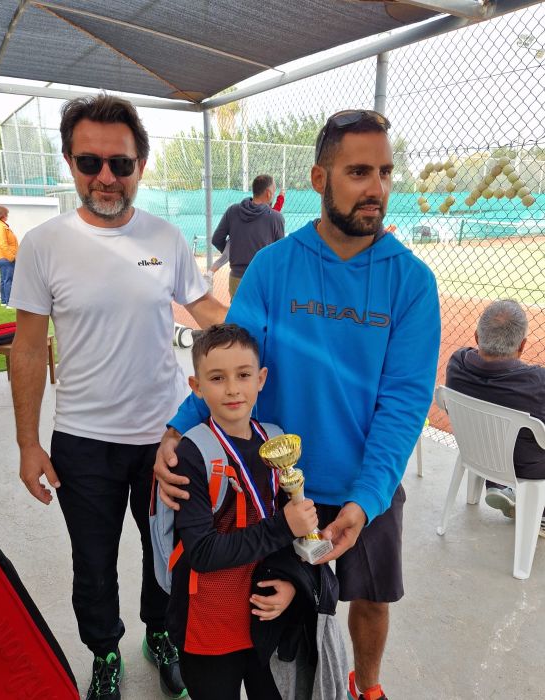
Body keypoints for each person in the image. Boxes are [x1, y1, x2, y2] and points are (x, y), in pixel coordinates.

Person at [154, 109, 441, 700]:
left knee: (372, 597)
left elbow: (404, 402)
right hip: (276, 482)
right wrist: (176, 433)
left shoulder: (411, 282)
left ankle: (367, 686)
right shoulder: (274, 266)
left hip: (366, 479)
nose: (377, 187)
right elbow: (232, 360)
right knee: (275, 596)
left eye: (385, 172)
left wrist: (367, 499)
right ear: (319, 178)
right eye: (358, 172)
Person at [9, 93, 226, 700]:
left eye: (120, 164)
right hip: (82, 442)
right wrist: (28, 444)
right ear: (69, 162)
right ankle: (105, 651)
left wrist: (270, 338)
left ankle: (162, 635)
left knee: (167, 549)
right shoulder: (44, 244)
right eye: (90, 162)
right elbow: (27, 348)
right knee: (93, 561)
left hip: (165, 437)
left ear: (140, 166)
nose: (105, 176)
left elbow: (207, 311)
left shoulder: (165, 236)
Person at [165, 322, 319, 700]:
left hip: (266, 614)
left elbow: (297, 539)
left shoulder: (277, 442)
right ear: (197, 386)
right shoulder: (192, 454)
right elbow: (202, 552)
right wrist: (283, 526)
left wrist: (292, 586)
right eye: (217, 378)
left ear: (261, 379)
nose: (233, 388)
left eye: (244, 375)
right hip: (210, 625)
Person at [446, 299, 545, 535]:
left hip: (477, 452)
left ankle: (497, 484)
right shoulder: (537, 383)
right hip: (527, 468)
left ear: (477, 337)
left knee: (498, 428)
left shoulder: (457, 363)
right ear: (522, 345)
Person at [212, 175, 285, 299]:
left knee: (238, 311)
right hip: (262, 278)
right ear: (268, 193)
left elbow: (216, 239)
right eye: (273, 191)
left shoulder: (232, 211)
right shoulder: (275, 218)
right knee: (261, 311)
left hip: (236, 277)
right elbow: (280, 254)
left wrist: (235, 252)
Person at [207, 189, 286, 278]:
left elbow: (217, 240)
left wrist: (234, 251)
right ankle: (210, 273)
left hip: (237, 248)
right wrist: (281, 196)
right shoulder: (272, 216)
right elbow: (278, 207)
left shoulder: (239, 209)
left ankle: (210, 273)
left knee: (224, 257)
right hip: (256, 264)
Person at [0, 205, 19, 307]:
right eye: (6, 214)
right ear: (2, 214)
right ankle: (10, 303)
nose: (7, 216)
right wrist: (11, 257)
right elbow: (3, 244)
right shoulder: (0, 227)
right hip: (5, 257)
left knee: (4, 279)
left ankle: (4, 301)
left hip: (1, 256)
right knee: (8, 280)